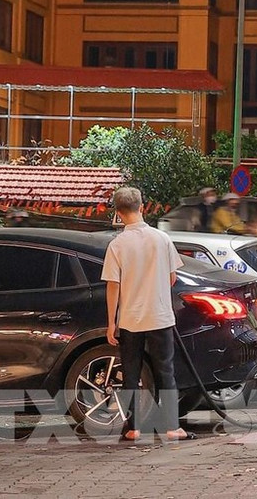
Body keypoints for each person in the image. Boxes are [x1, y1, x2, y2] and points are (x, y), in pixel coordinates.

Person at [101, 187, 196, 442]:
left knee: (131, 373)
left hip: (131, 318)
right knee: (165, 371)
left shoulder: (117, 245)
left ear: (119, 213)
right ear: (142, 207)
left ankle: (133, 427)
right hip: (160, 316)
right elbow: (172, 277)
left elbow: (113, 285)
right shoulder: (161, 239)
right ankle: (171, 426)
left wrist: (112, 322)